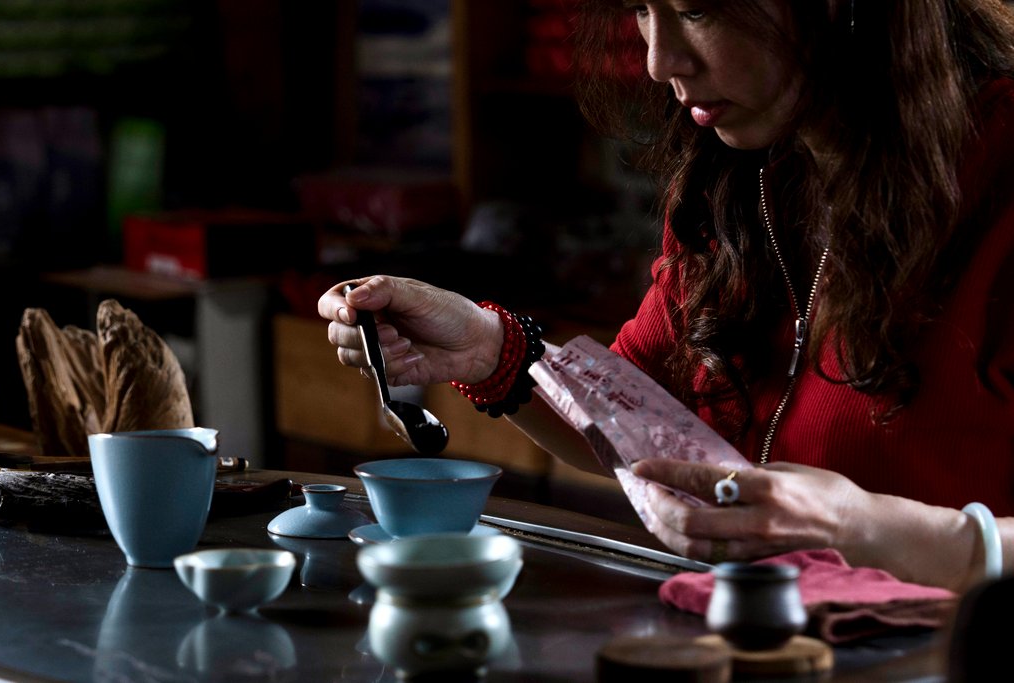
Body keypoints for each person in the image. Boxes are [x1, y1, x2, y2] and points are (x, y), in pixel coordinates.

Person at [317, 0, 1014, 592]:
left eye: (695, 9)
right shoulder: (737, 180)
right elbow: (649, 418)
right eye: (641, 11)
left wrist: (878, 532)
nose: (658, 60)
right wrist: (487, 348)